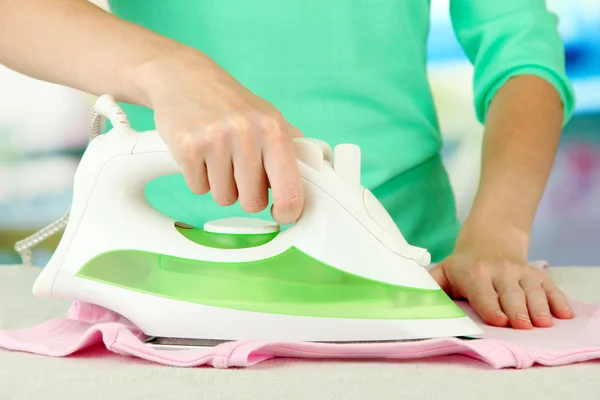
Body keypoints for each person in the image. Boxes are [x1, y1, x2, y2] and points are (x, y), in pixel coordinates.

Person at [1, 0, 575, 329]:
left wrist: (497, 234)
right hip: (158, 270)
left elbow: (520, 47)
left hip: (420, 257)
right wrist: (171, 72)